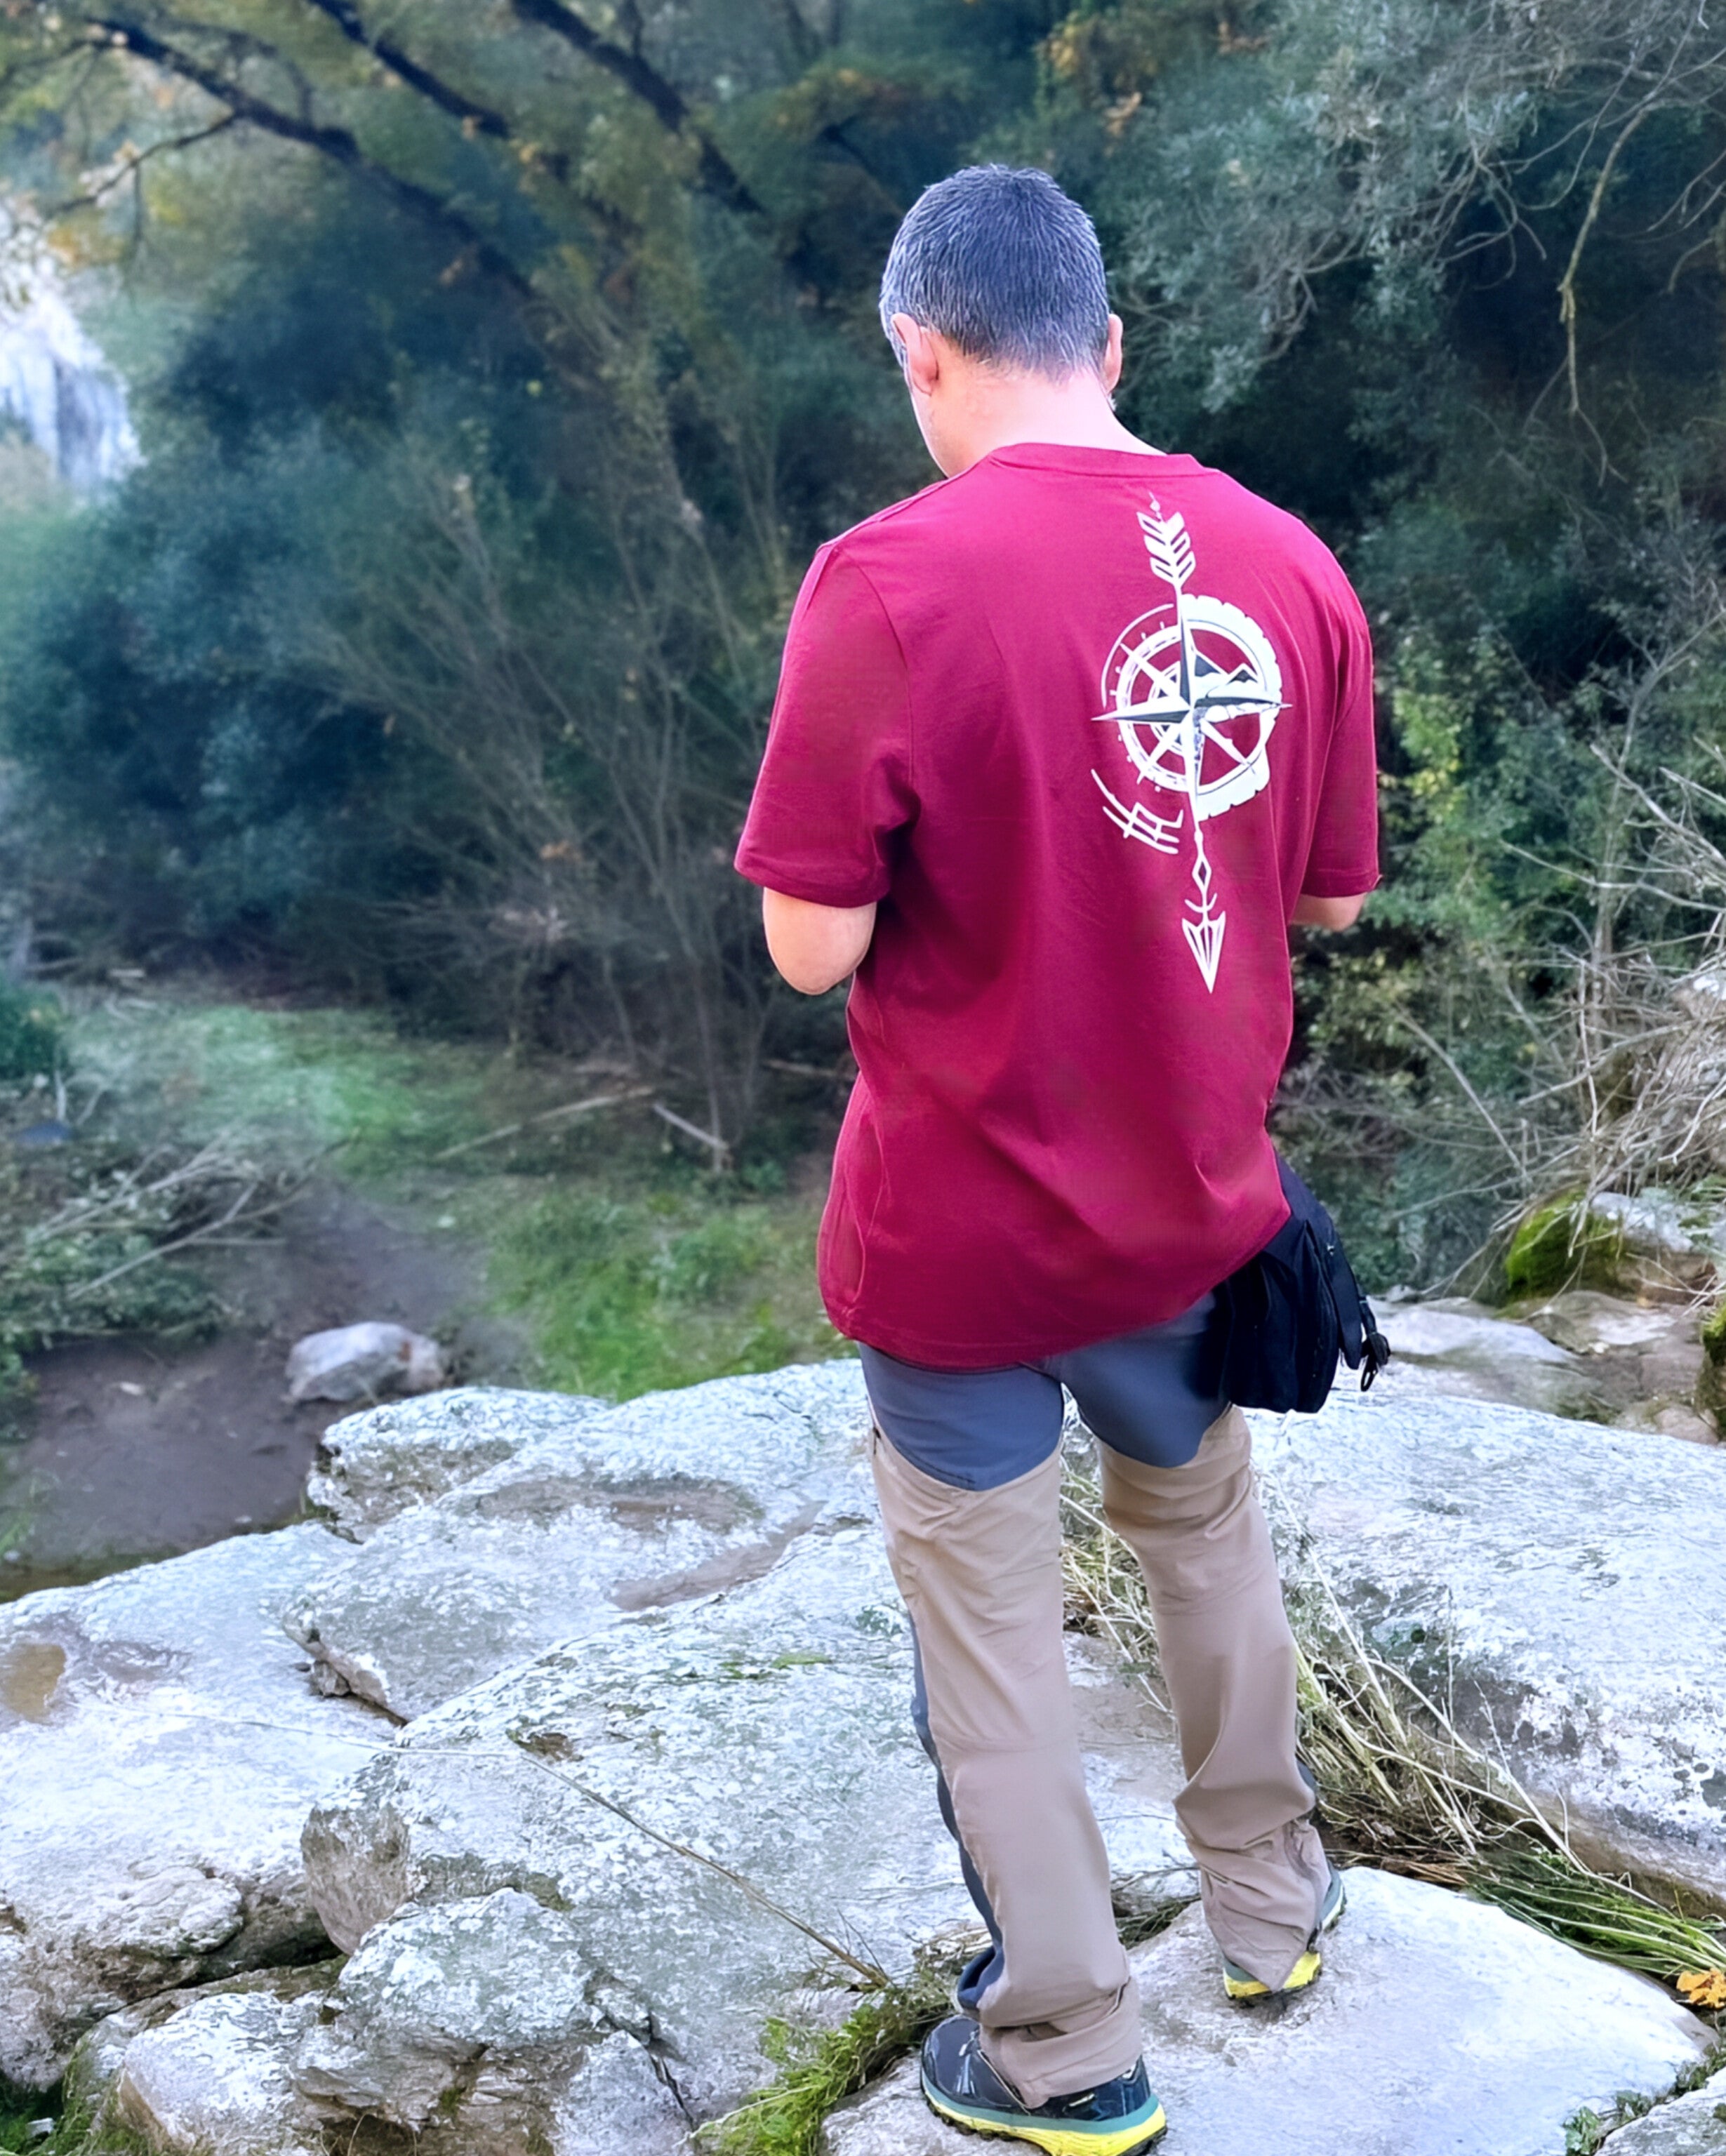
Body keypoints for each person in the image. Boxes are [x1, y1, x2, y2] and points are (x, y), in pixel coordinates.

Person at [733, 164, 1379, 2156]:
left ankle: (1067, 2048)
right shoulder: (1286, 564)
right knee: (1205, 1537)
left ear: (917, 353)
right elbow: (1330, 898)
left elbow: (810, 947)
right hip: (1190, 1207)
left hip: (960, 1242)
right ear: (1107, 341)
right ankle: (1269, 1912)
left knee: (994, 1639)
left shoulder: (886, 583)